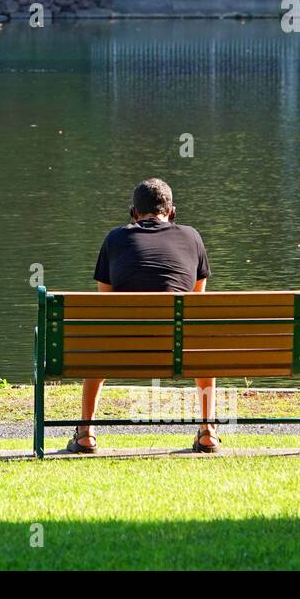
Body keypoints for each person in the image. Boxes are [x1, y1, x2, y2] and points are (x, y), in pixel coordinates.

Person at [68, 178, 217, 453]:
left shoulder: (115, 238)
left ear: (133, 213)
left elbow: (106, 303)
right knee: (199, 339)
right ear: (172, 212)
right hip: (180, 349)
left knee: (98, 346)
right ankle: (208, 431)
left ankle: (86, 433)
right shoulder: (192, 237)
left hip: (123, 349)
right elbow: (198, 303)